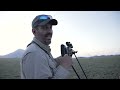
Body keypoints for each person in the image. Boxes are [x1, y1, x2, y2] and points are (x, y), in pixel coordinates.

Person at [20, 14, 73, 79]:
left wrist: (59, 60)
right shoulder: (34, 53)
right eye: (44, 27)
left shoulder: (41, 50)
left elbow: (46, 65)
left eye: (50, 27)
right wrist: (64, 66)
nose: (49, 31)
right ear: (34, 31)